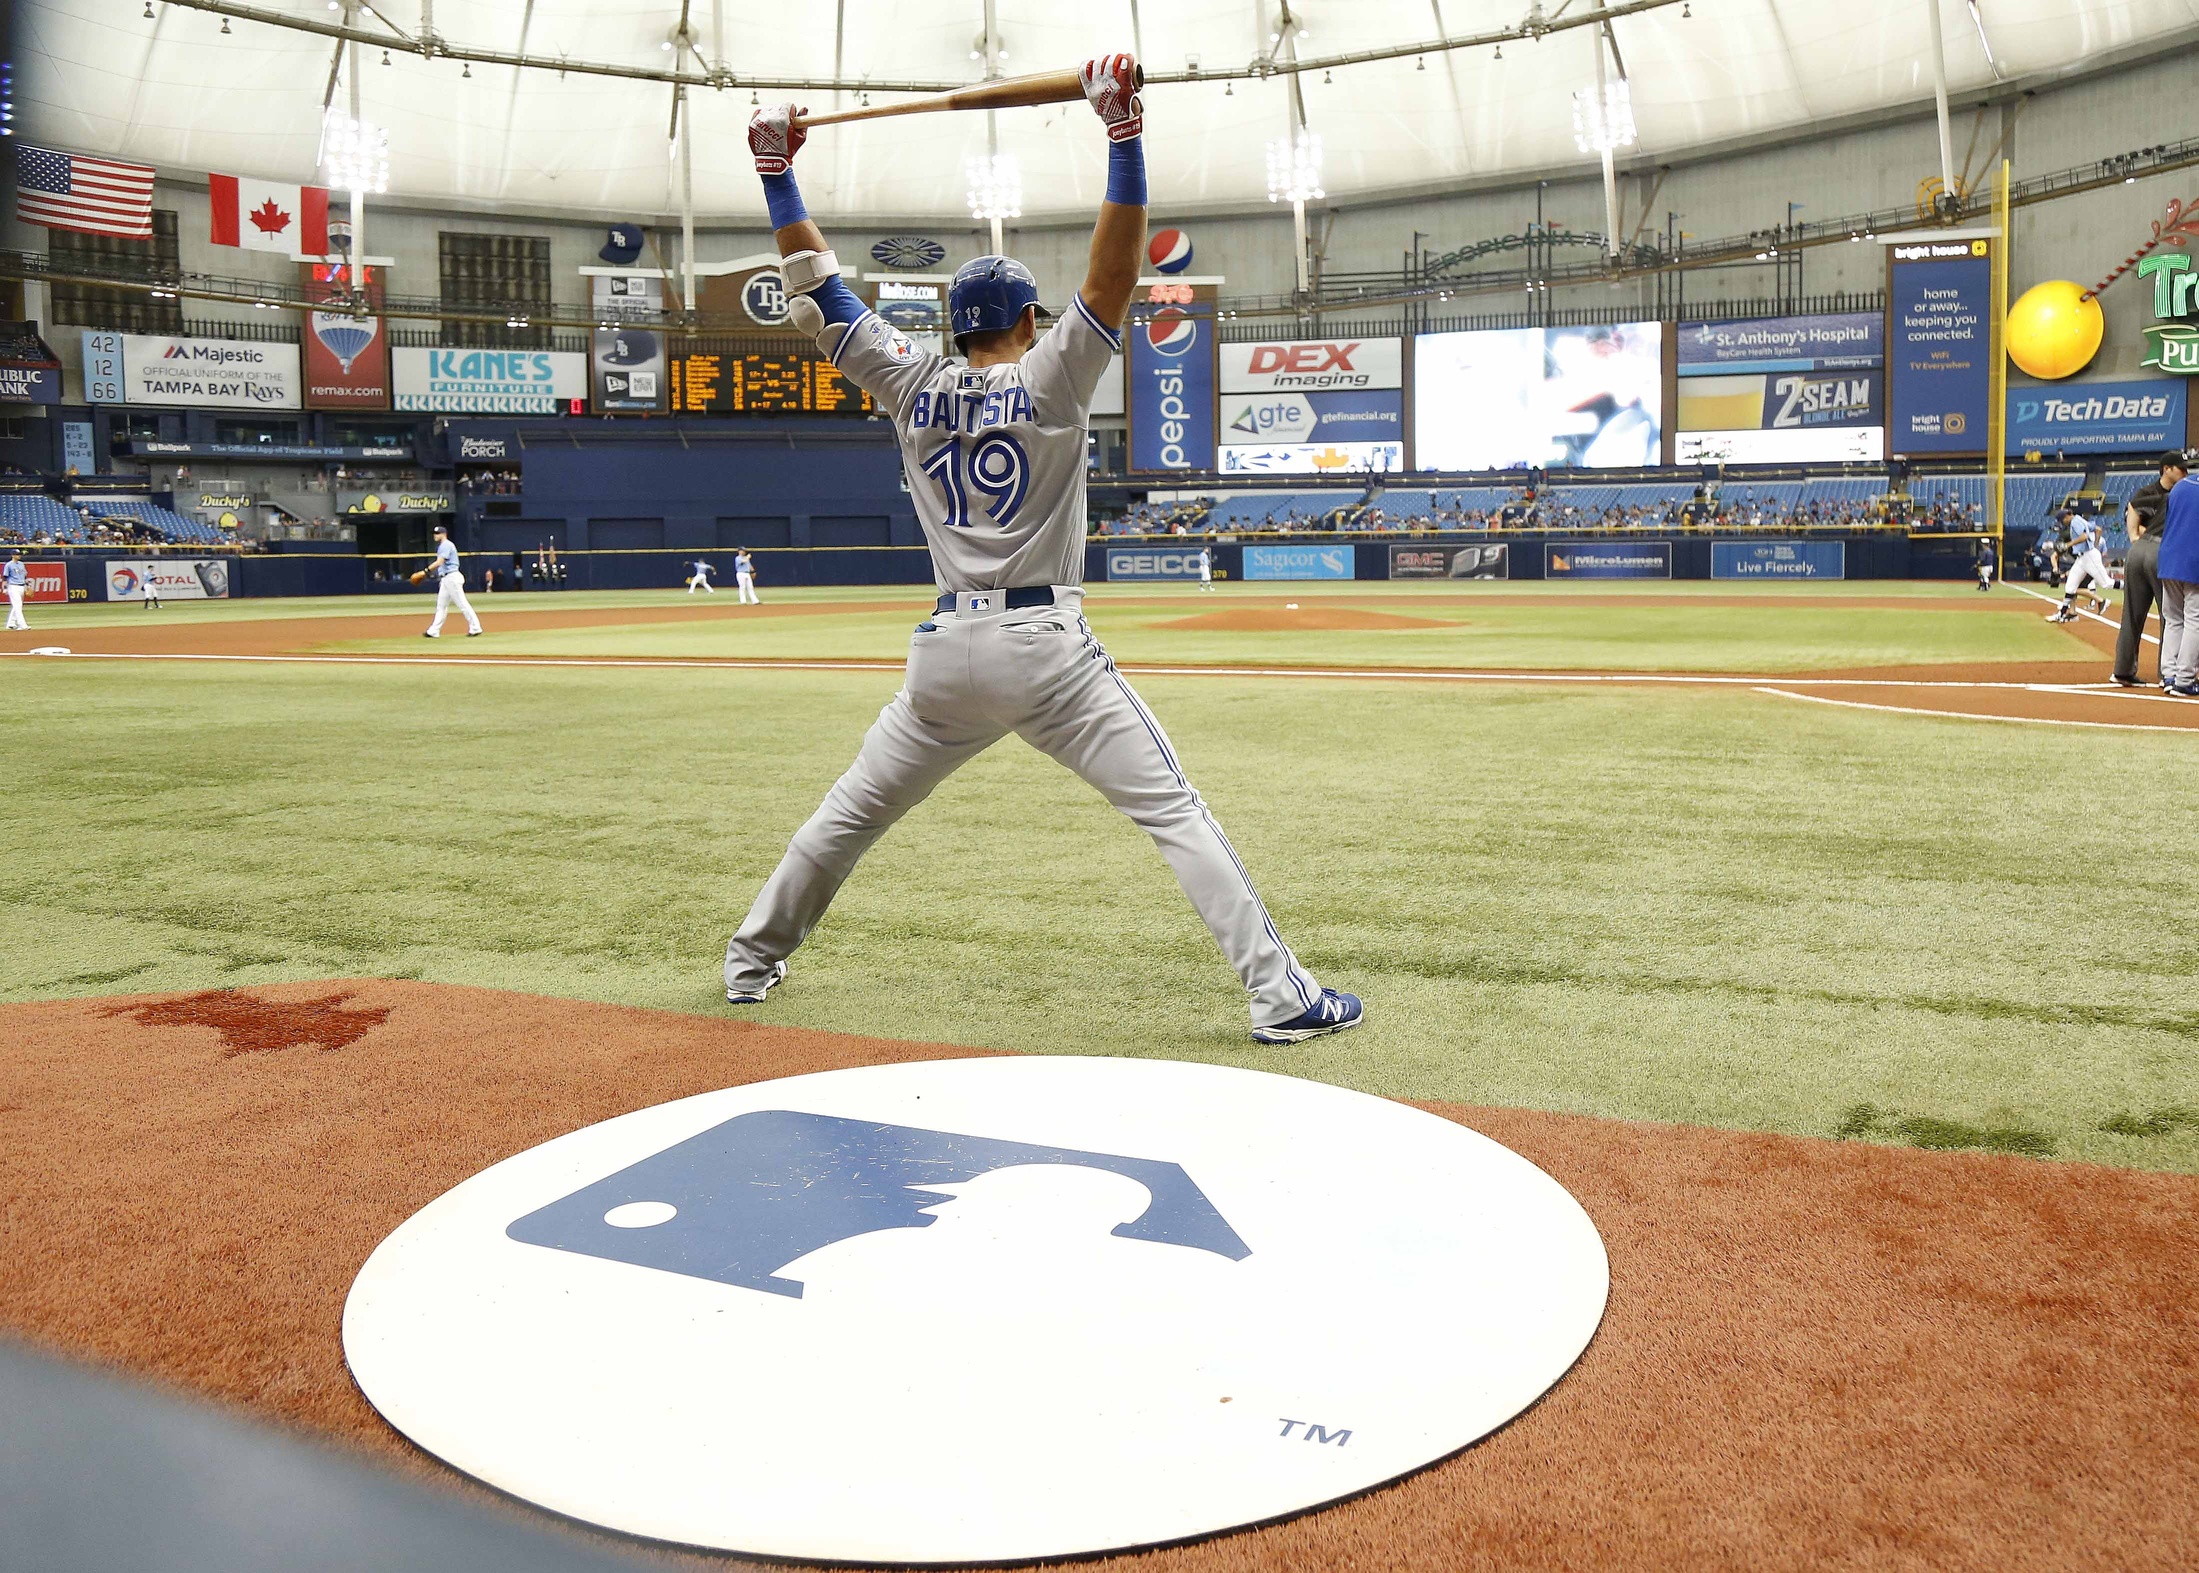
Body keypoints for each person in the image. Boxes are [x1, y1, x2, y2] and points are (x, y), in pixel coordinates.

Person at [720, 59, 1360, 1045]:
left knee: (849, 814)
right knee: (1174, 811)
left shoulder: (908, 380)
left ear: (954, 326)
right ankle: (1280, 996)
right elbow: (1114, 273)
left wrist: (775, 170)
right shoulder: (1056, 375)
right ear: (1026, 320)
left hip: (941, 654)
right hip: (1046, 648)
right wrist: (1123, 131)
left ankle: (750, 958)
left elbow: (818, 284)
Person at [2114, 449, 2189, 689]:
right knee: (2173, 615)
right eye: (2182, 468)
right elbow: (2133, 507)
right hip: (2160, 552)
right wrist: (2133, 535)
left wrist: (2138, 539)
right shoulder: (2183, 493)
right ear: (2166, 469)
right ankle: (2169, 673)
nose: (2186, 472)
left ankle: (2123, 671)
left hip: (2140, 553)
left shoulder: (2178, 491)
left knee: (2132, 616)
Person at [2157, 468, 2199, 696]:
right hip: (2194, 559)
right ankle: (2184, 679)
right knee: (2194, 619)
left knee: (2173, 619)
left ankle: (2170, 675)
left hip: (2169, 557)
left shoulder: (2181, 486)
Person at [2046, 509, 2111, 622]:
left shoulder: (2071, 528)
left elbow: (2083, 537)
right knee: (2071, 587)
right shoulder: (2078, 522)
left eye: (2061, 523)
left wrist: (2068, 545)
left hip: (2088, 558)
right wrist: (2095, 545)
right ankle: (2070, 613)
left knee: (2102, 584)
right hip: (2082, 559)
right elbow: (2098, 529)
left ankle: (2100, 600)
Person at [422, 522, 483, 638]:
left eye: (437, 533)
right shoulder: (443, 545)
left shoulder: (445, 545)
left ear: (444, 534)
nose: (435, 535)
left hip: (452, 577)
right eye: (434, 533)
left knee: (462, 604)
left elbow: (440, 562)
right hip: (446, 579)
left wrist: (426, 571)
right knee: (441, 606)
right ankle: (433, 631)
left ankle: (475, 627)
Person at [4, 550, 27, 630]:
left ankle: (10, 624)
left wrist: (26, 585)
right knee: (18, 605)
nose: (19, 556)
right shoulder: (9, 565)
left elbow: (24, 575)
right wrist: (5, 588)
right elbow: (5, 577)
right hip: (13, 586)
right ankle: (22, 625)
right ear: (12, 555)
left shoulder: (21, 564)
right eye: (17, 554)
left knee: (16, 606)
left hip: (21, 586)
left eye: (19, 554)